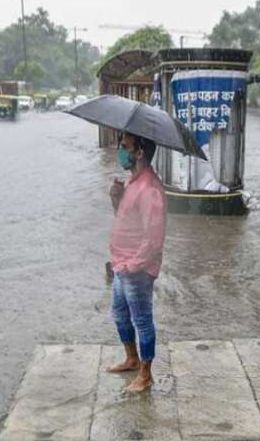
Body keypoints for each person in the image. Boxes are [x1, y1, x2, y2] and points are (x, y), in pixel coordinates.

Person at [106, 132, 166, 393]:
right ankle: (131, 358)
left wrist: (133, 265)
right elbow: (127, 219)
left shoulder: (150, 189)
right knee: (120, 314)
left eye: (124, 147)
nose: (119, 150)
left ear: (139, 153)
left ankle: (146, 375)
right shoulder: (133, 183)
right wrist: (116, 197)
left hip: (136, 268)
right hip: (121, 264)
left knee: (141, 319)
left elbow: (154, 238)